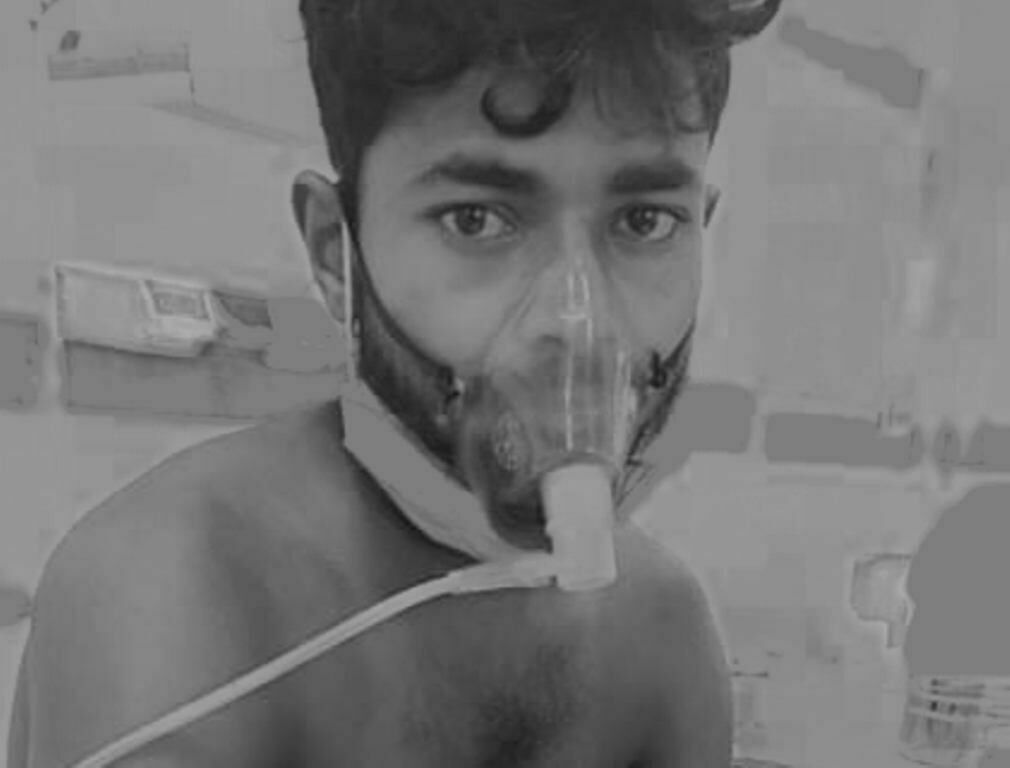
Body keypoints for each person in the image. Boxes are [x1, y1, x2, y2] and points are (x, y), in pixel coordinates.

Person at [9, 0, 782, 765]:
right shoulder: (169, 592)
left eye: (645, 221)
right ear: (333, 250)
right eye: (476, 219)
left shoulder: (663, 631)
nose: (579, 325)